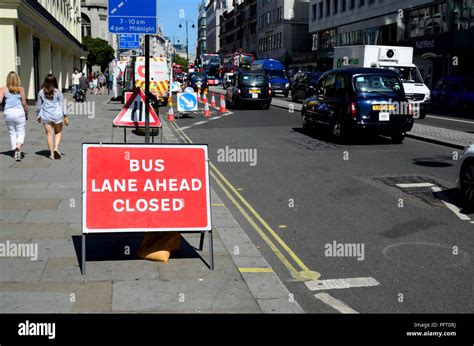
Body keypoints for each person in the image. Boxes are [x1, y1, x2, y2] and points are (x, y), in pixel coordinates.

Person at [36, 74, 66, 160]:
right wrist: (65, 115)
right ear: (54, 82)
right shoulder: (57, 92)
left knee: (49, 134)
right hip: (57, 115)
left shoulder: (41, 92)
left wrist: (38, 115)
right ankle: (56, 147)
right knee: (58, 132)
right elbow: (62, 104)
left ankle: (51, 153)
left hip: (46, 115)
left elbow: (38, 105)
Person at [0, 71, 28, 161]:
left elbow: (0, 101)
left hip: (8, 113)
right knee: (21, 132)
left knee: (12, 132)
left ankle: (14, 153)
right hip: (19, 112)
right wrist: (26, 113)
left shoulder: (3, 89)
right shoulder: (21, 89)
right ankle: (18, 148)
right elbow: (24, 103)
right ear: (17, 79)